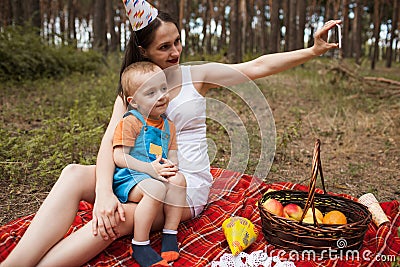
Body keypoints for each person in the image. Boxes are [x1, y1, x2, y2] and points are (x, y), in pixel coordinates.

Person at [0, 0, 341, 265]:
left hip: (183, 186)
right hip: (140, 178)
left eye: (177, 42)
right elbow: (110, 142)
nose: (176, 52)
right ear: (143, 51)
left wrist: (311, 51)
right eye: (164, 47)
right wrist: (104, 192)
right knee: (73, 173)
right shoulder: (134, 89)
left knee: (117, 218)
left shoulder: (196, 75)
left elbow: (257, 66)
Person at [112, 61, 183, 266]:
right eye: (151, 93)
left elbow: (172, 155)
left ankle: (170, 234)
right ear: (134, 102)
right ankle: (140, 244)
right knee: (155, 189)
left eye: (163, 88)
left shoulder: (169, 126)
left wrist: (171, 168)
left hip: (155, 173)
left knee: (179, 180)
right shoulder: (130, 122)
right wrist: (150, 169)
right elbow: (119, 157)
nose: (161, 95)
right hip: (130, 177)